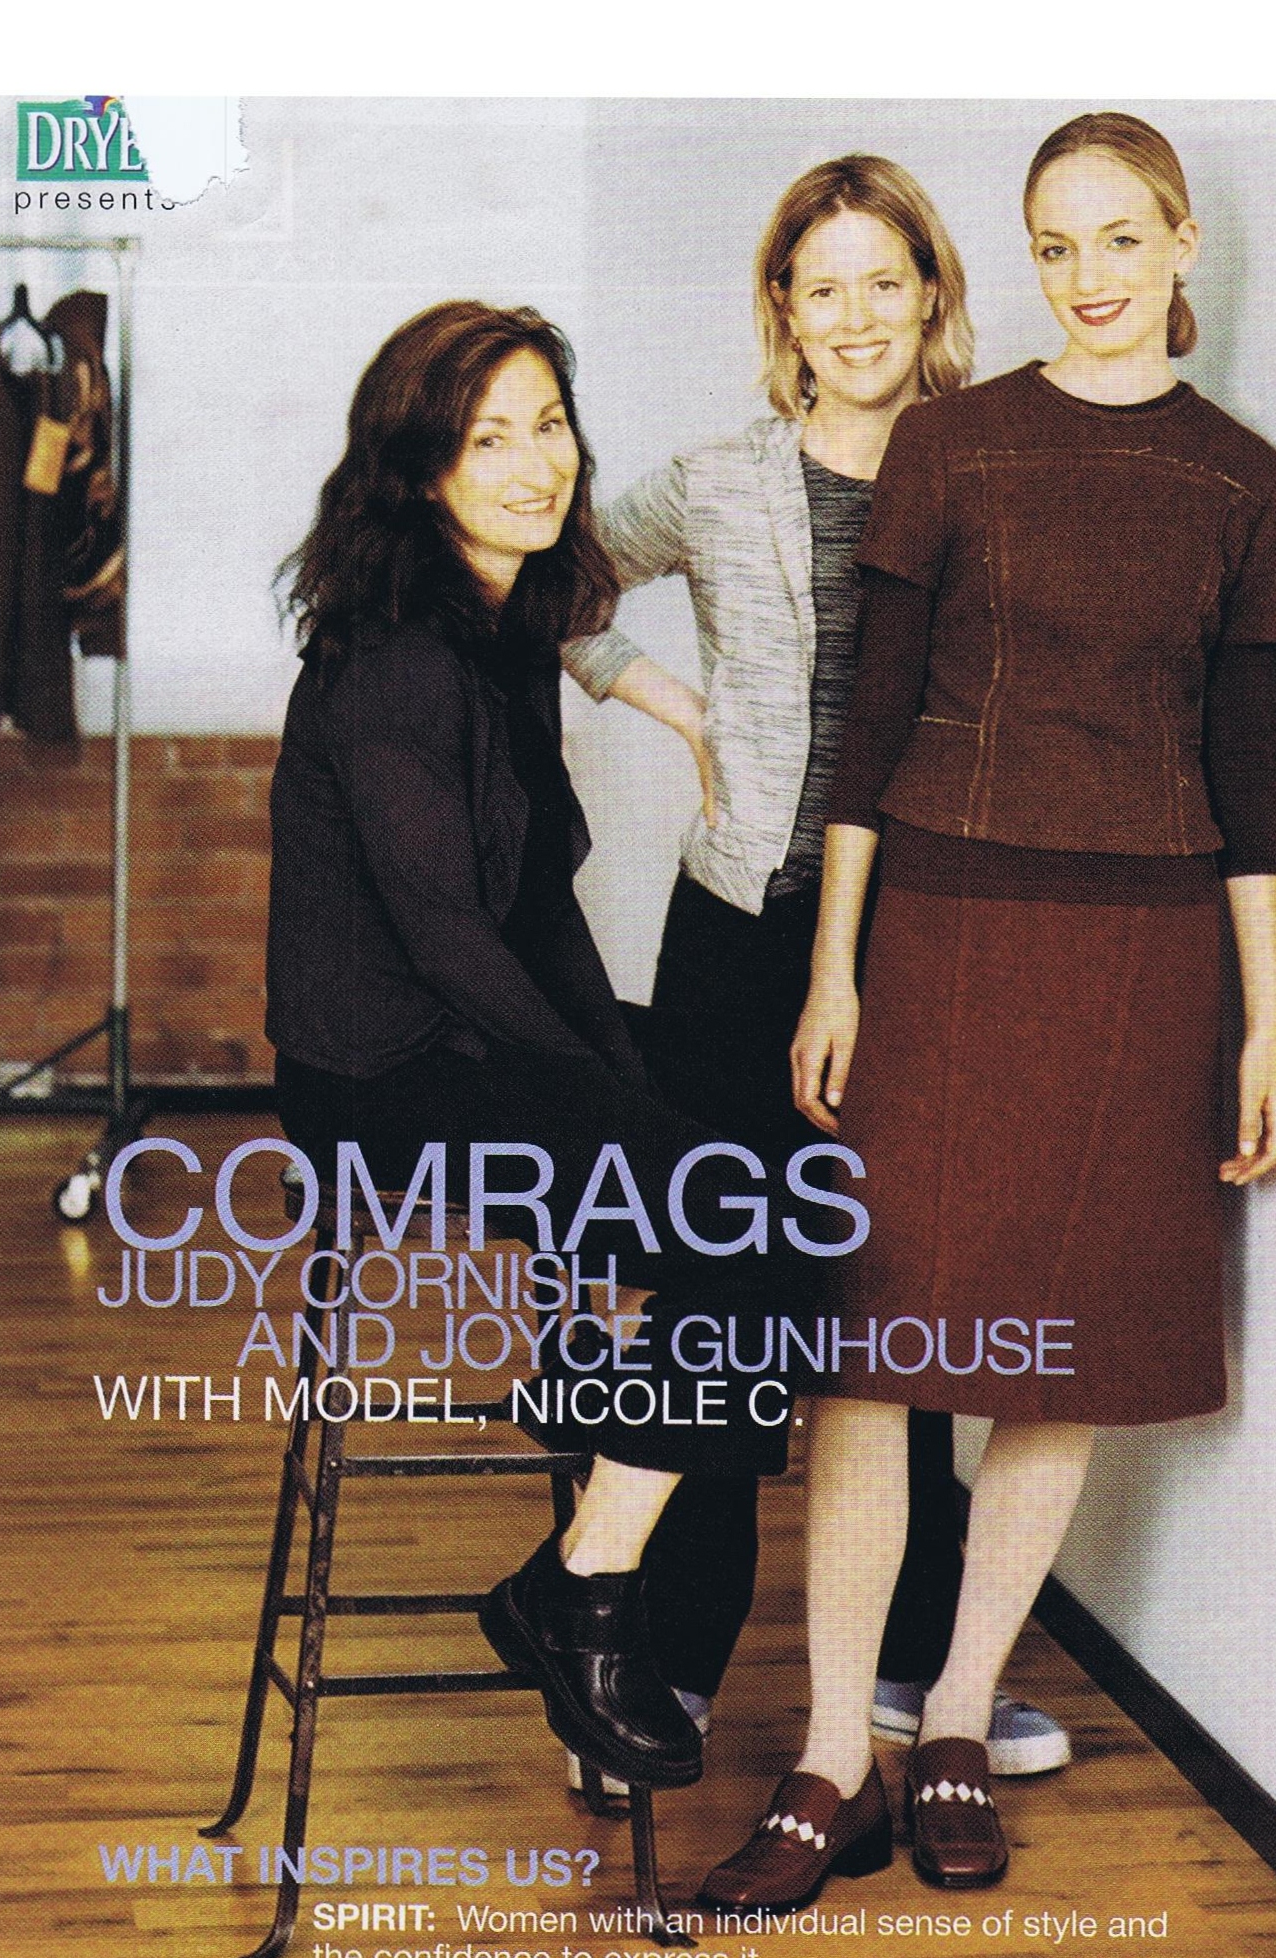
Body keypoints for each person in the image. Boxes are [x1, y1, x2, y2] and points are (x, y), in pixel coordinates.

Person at [700, 113, 1276, 1912]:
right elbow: (872, 730)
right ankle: (833, 1756)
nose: (1087, 276)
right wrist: (836, 966)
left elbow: (1245, 773)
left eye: (1119, 238)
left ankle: (953, 1717)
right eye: (1054, 245)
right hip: (943, 929)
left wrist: (1266, 1021)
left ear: (1180, 244)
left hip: (1147, 945)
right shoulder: (952, 446)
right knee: (873, 1351)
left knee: (1066, 1347)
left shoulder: (1244, 481)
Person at [563, 154, 1070, 1785]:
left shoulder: (994, 469)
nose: (853, 316)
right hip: (739, 934)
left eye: (882, 281)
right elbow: (556, 584)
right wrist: (676, 707)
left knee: (893, 1298)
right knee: (726, 1284)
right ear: (781, 309)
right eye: (820, 285)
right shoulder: (716, 481)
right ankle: (657, 1669)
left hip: (927, 937)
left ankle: (917, 1669)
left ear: (931, 294)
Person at [265, 300, 815, 1798]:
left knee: (770, 1167)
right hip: (382, 1081)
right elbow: (447, 939)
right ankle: (584, 1592)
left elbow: (538, 907)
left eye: (548, 426)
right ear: (419, 469)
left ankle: (577, 1547)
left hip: (476, 1044)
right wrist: (613, 1114)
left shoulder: (504, 626)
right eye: (487, 438)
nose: (533, 464)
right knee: (735, 1207)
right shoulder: (396, 659)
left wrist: (628, 1089)